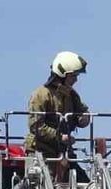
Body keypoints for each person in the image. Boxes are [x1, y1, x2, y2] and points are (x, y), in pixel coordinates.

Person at [26, 51, 90, 181]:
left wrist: (83, 118)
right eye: (73, 76)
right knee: (45, 187)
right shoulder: (40, 95)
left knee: (85, 184)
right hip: (42, 153)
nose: (76, 80)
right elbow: (36, 126)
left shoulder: (71, 95)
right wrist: (60, 137)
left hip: (64, 153)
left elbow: (83, 112)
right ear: (62, 75)